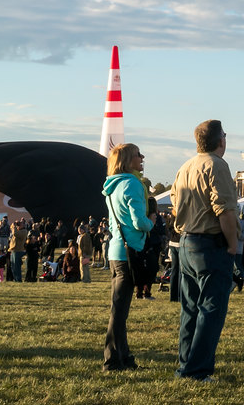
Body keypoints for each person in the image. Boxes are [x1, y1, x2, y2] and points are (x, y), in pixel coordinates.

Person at [170, 119, 241, 382]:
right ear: (221, 140)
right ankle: (197, 370)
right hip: (210, 244)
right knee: (211, 310)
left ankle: (186, 364)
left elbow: (175, 205)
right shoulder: (217, 165)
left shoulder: (185, 166)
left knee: (190, 309)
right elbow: (225, 210)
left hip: (186, 242)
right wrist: (232, 244)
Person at [103, 142, 152, 373]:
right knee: (119, 312)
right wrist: (151, 223)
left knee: (120, 309)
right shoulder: (132, 183)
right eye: (137, 155)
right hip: (129, 251)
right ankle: (112, 361)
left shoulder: (111, 186)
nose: (142, 158)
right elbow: (139, 221)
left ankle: (125, 358)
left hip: (116, 250)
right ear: (127, 160)